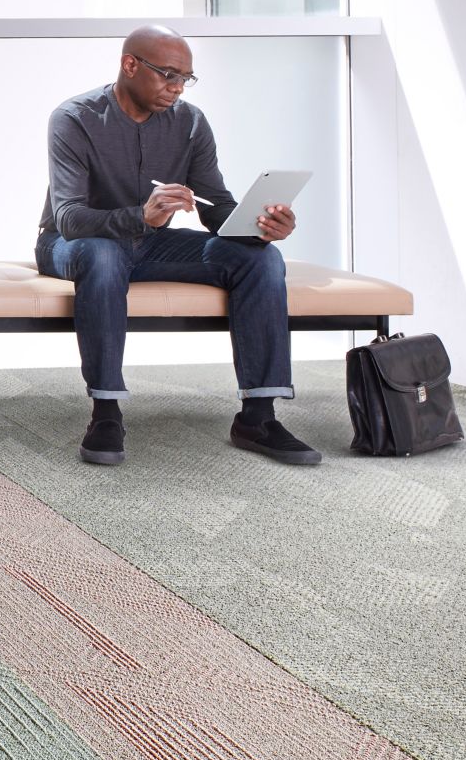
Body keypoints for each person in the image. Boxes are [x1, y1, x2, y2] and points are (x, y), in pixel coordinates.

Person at [36, 25, 319, 468]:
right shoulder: (74, 118)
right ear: (130, 64)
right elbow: (69, 216)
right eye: (168, 74)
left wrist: (259, 227)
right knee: (105, 255)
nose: (177, 87)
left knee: (260, 258)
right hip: (72, 244)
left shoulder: (189, 122)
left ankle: (258, 417)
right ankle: (106, 413)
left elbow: (215, 206)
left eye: (186, 77)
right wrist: (140, 216)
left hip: (149, 243)